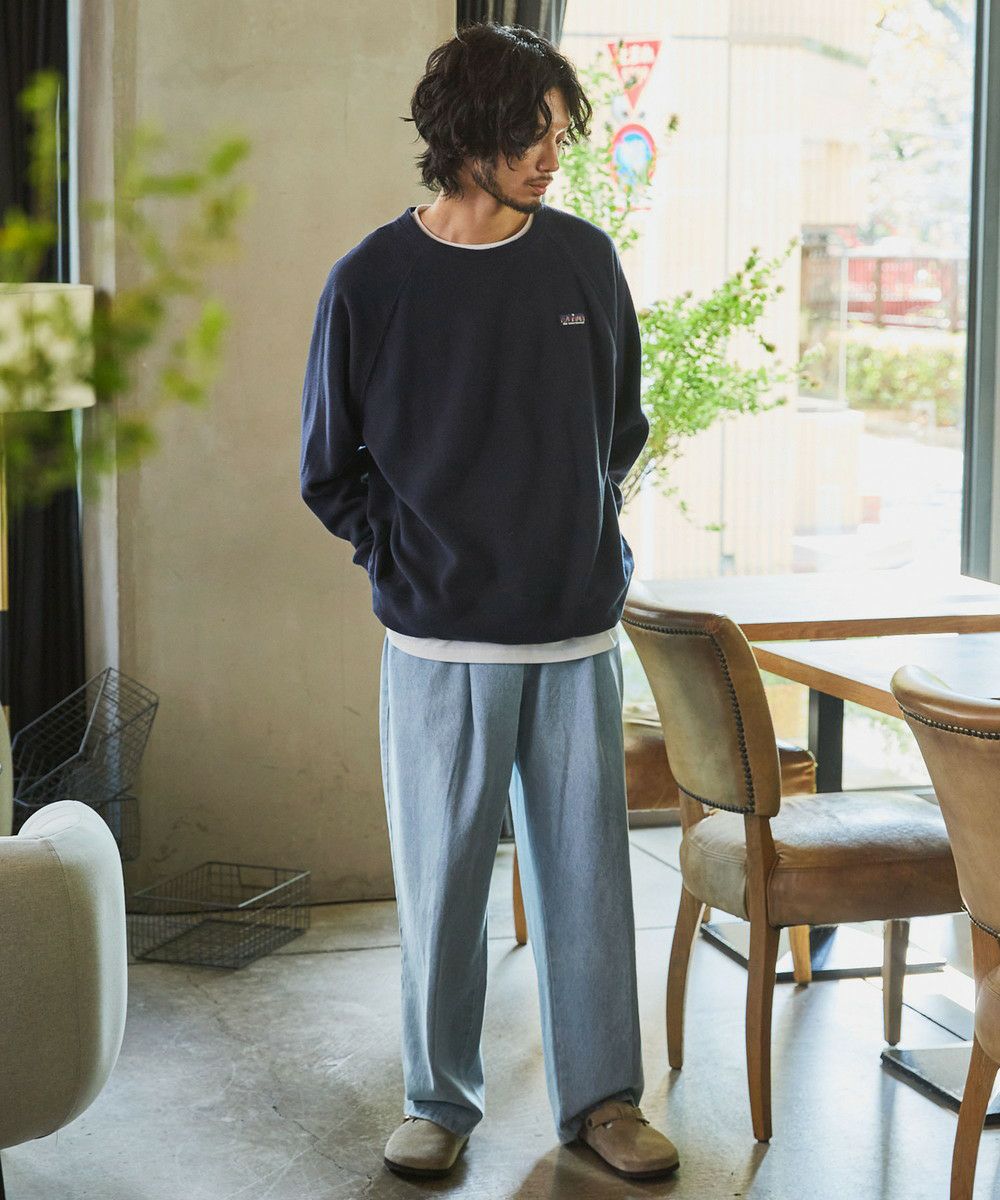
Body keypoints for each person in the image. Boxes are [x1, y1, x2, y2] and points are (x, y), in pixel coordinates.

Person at [299, 19, 680, 1183]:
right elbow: (329, 468)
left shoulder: (583, 261)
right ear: (466, 134)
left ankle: (604, 1102)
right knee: (444, 881)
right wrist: (407, 559)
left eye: (559, 134)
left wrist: (580, 532)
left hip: (572, 631)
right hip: (439, 640)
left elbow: (622, 426)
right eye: (532, 134)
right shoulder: (371, 280)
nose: (551, 155)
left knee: (588, 882)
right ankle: (439, 1104)